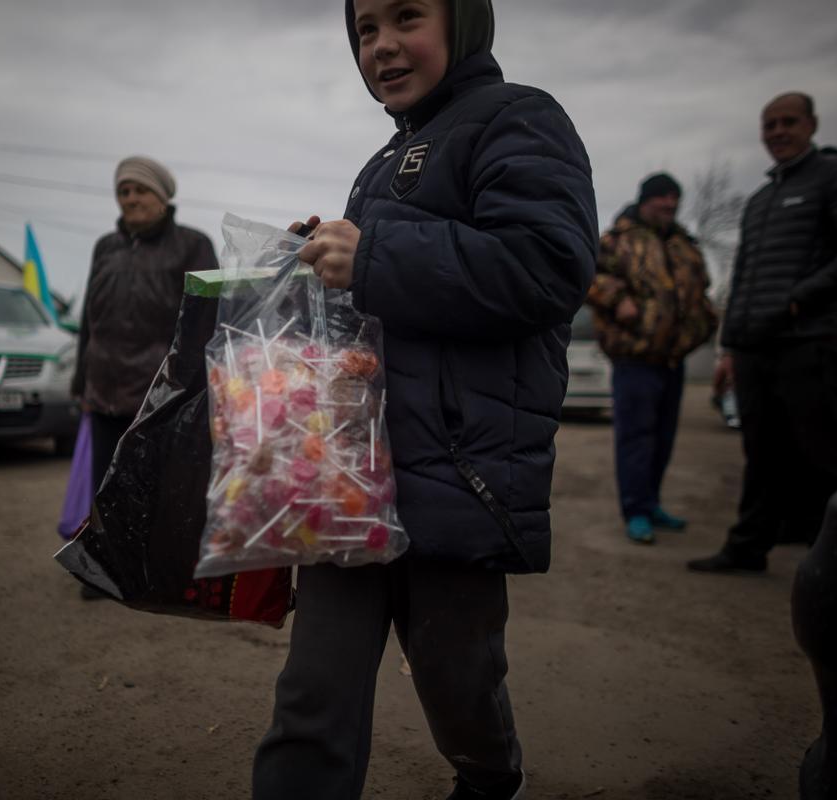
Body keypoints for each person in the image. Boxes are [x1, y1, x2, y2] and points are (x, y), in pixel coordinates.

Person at [252, 2, 597, 798]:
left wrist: (373, 253)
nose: (382, 46)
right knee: (313, 694)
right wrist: (310, 262)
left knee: (458, 678)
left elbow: (548, 266)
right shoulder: (382, 160)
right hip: (350, 482)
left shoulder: (520, 119)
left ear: (463, 21)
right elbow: (375, 300)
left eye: (406, 16)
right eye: (365, 29)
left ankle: (488, 775)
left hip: (456, 476)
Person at [688, 92, 837, 574]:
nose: (777, 131)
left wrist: (803, 297)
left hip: (809, 340)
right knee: (761, 453)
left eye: (788, 122)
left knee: (823, 455)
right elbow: (746, 274)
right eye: (769, 123)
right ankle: (748, 546)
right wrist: (730, 348)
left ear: (811, 124)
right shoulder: (759, 200)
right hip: (755, 346)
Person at [72, 155, 218, 598]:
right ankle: (101, 571)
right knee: (103, 484)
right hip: (104, 387)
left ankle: (156, 573)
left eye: (140, 190)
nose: (130, 198)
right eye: (124, 191)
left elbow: (206, 319)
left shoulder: (192, 244)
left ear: (162, 197)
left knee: (156, 487)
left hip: (160, 391)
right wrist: (81, 383)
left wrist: (192, 387)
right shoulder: (105, 247)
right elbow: (88, 319)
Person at [586, 173, 716, 543]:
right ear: (645, 201)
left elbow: (701, 287)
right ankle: (636, 510)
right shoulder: (618, 240)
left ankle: (652, 501)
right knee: (636, 438)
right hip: (635, 357)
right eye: (662, 198)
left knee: (663, 438)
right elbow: (588, 275)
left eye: (674, 199)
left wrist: (704, 321)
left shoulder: (682, 244)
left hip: (673, 357)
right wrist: (616, 298)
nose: (669, 205)